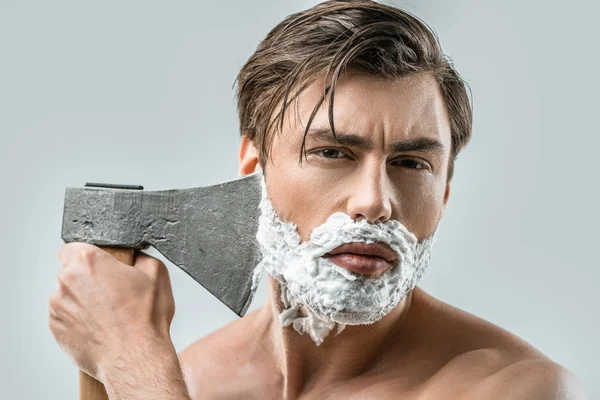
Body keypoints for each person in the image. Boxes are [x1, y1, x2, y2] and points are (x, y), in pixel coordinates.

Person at [49, 1, 588, 399]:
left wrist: (131, 364)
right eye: (333, 153)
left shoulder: (517, 389)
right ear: (254, 166)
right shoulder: (191, 379)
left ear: (444, 192)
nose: (376, 203)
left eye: (411, 163)